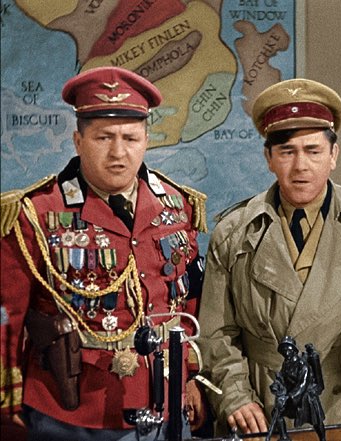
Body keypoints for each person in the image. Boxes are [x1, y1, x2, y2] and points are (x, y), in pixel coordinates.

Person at [0, 66, 209, 440]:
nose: (118, 152)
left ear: (146, 139)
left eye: (130, 138)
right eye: (103, 137)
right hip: (72, 412)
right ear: (78, 141)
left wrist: (190, 375)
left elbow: (187, 300)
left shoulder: (178, 205)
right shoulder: (36, 213)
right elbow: (8, 320)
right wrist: (6, 405)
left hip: (164, 402)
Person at [198, 78, 341, 435]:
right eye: (287, 151)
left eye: (313, 151)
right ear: (269, 158)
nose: (301, 166)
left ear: (334, 155)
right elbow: (216, 333)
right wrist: (236, 398)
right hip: (261, 409)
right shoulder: (234, 231)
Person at [266, 336, 325, 441]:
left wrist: (288, 397)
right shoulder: (286, 363)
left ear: (293, 350)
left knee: (316, 421)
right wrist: (276, 386)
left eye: (287, 349)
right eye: (283, 350)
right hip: (291, 397)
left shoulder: (303, 365)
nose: (285, 352)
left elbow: (302, 385)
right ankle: (284, 437)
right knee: (277, 412)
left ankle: (323, 438)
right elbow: (282, 378)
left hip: (305, 398)